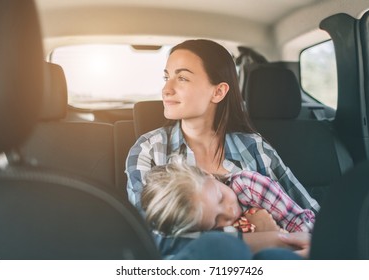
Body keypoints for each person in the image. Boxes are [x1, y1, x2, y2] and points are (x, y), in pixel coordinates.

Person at [126, 39, 319, 258]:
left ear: (218, 92)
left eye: (181, 78)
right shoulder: (149, 150)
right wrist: (273, 238)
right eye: (166, 77)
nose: (166, 89)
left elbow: (312, 215)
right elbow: (152, 239)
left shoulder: (254, 147)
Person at [141, 158, 315, 236]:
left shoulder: (250, 186)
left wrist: (274, 233)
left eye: (221, 197)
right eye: (216, 220)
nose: (230, 212)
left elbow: (303, 228)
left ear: (207, 174)